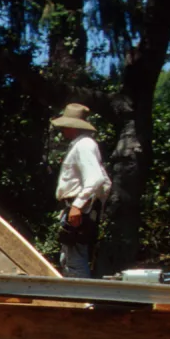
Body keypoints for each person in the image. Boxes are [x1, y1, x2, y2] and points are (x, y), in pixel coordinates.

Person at [52, 103, 111, 278]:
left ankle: (81, 302)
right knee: (69, 258)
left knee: (75, 261)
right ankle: (77, 301)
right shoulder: (80, 145)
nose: (62, 129)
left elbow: (96, 178)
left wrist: (78, 205)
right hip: (78, 208)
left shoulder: (84, 145)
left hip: (79, 209)